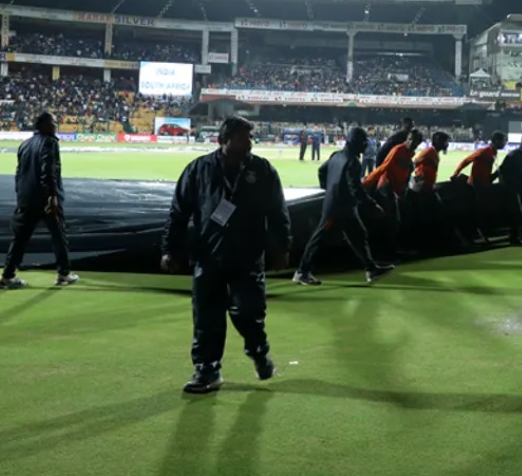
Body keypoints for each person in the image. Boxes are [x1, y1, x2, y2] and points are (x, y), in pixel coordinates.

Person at [162, 116, 292, 394]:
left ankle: (258, 351)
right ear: (225, 139)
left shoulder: (262, 170)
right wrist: (170, 249)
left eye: (250, 137)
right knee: (206, 316)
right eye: (244, 138)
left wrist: (281, 248)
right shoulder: (198, 169)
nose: (250, 143)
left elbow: (278, 213)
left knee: (248, 312)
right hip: (208, 255)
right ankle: (207, 370)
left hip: (248, 255)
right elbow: (178, 212)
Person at [294, 127, 395, 287]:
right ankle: (302, 272)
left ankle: (371, 269)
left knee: (358, 235)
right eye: (364, 142)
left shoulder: (336, 156)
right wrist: (372, 205)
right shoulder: (353, 162)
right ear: (356, 143)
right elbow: (356, 189)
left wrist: (329, 188)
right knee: (320, 238)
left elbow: (322, 171)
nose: (365, 145)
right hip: (340, 207)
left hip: (338, 205)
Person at [0, 111, 77, 290]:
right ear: (45, 125)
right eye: (53, 122)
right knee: (58, 236)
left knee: (20, 239)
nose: (56, 125)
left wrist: (21, 196)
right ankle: (63, 274)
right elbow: (48, 171)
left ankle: (7, 276)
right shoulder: (50, 142)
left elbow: (19, 174)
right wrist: (52, 196)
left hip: (26, 198)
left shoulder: (24, 145)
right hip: (45, 199)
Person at [363, 128, 423, 255]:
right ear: (407, 139)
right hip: (386, 186)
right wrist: (366, 182)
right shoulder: (398, 150)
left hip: (396, 189)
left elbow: (405, 172)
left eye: (416, 141)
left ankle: (393, 247)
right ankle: (389, 250)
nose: (412, 143)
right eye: (411, 139)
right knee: (394, 219)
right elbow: (383, 167)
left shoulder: (410, 153)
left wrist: (405, 185)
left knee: (400, 216)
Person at [453, 131, 506, 241]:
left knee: (483, 210)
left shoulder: (493, 152)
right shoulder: (483, 151)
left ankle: (481, 233)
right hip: (476, 186)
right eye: (503, 141)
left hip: (484, 186)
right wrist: (456, 173)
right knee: (478, 211)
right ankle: (475, 234)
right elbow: (466, 160)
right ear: (496, 141)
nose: (504, 143)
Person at [491, 133, 522, 246]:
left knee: (516, 213)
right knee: (516, 213)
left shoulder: (518, 155)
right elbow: (502, 169)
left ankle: (515, 236)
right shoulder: (515, 155)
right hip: (510, 188)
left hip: (514, 187)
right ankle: (514, 238)